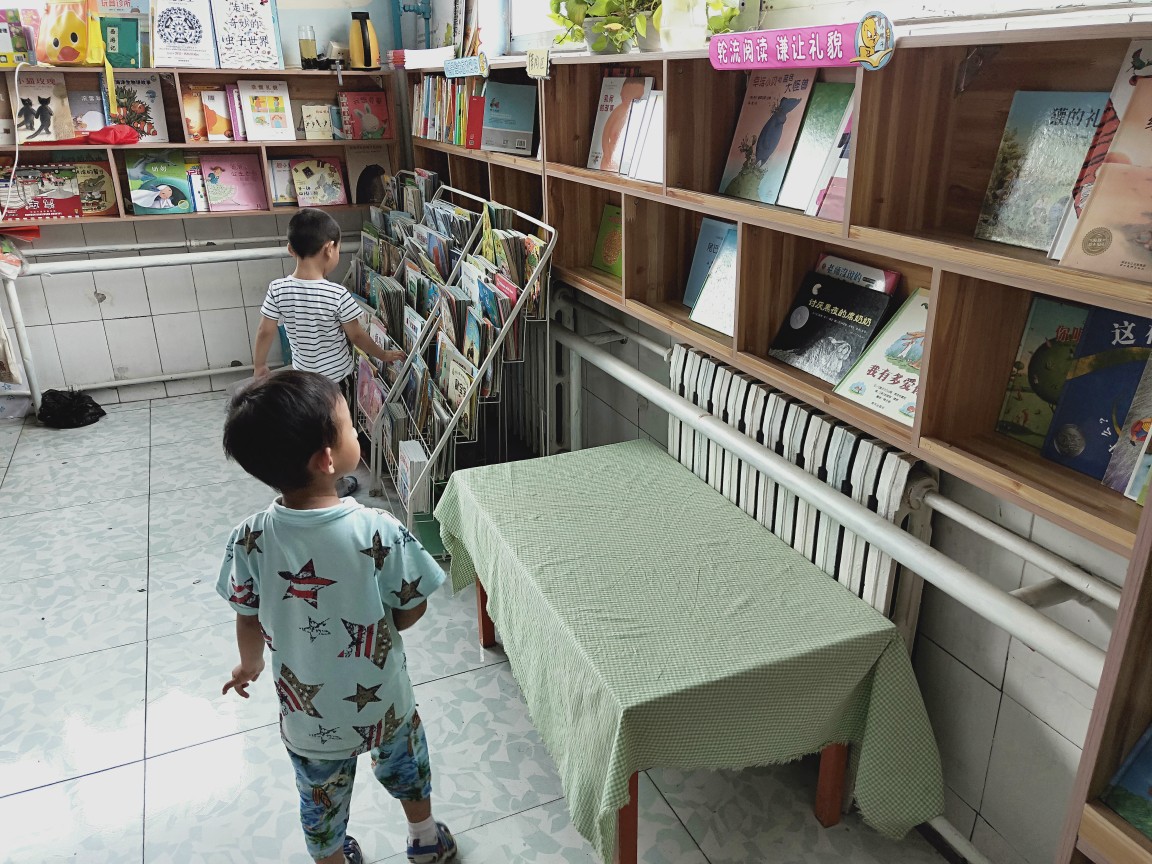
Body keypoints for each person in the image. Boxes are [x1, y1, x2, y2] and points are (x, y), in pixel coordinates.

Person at [217, 370, 456, 864]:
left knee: (320, 801)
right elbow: (412, 607)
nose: (356, 432)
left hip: (308, 716)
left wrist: (249, 664)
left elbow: (246, 614)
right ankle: (426, 840)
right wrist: (383, 621)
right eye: (349, 426)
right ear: (327, 459)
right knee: (407, 767)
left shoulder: (249, 538)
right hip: (383, 701)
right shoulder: (377, 529)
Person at [252, 207, 403, 497]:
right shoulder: (337, 294)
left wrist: (260, 366)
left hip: (303, 378)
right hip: (336, 380)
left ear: (290, 249)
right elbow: (356, 335)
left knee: (312, 428)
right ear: (329, 248)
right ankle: (335, 483)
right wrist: (383, 355)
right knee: (336, 431)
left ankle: (310, 478)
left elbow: (265, 331)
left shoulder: (278, 289)